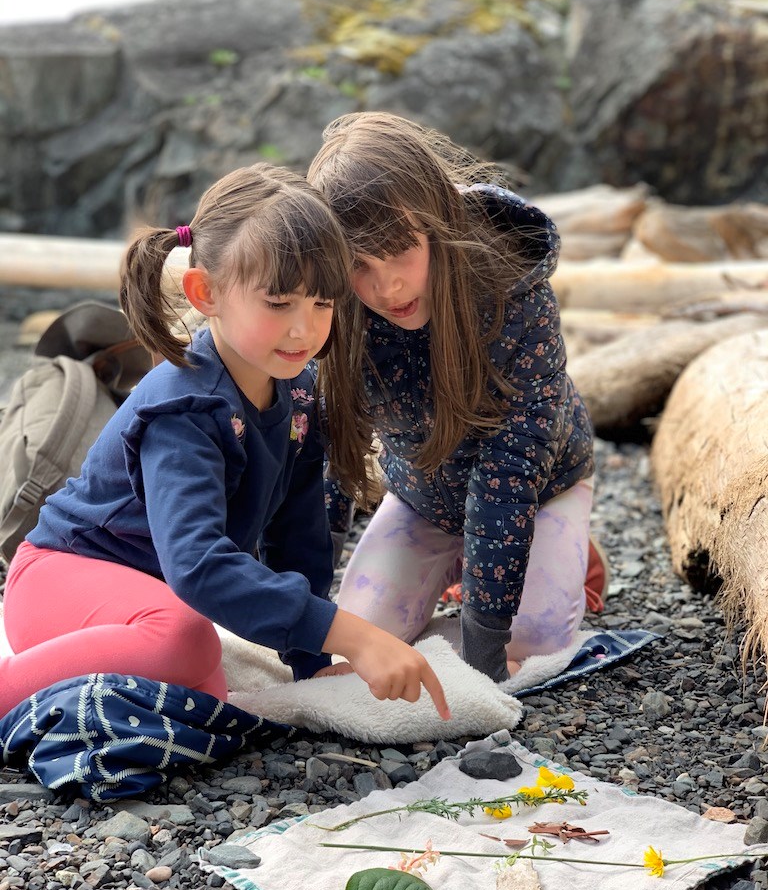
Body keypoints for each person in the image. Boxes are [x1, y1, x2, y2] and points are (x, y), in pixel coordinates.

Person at [0, 163, 450, 721]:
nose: (303, 329)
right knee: (186, 644)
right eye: (279, 303)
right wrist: (358, 637)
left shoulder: (299, 395)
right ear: (205, 293)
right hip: (60, 579)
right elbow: (196, 566)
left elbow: (299, 538)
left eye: (322, 304)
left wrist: (312, 662)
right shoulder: (185, 405)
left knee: (205, 691)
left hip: (150, 598)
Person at [308, 112, 605, 690]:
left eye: (399, 252)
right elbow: (331, 460)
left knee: (532, 645)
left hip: (539, 489)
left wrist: (486, 645)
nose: (387, 287)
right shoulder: (335, 310)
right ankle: (465, 563)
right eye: (360, 267)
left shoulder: (514, 297)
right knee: (359, 640)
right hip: (424, 495)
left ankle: (573, 555)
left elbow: (509, 473)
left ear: (436, 222)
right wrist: (306, 607)